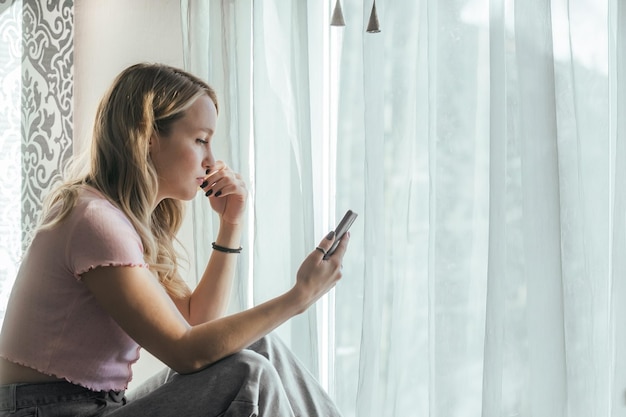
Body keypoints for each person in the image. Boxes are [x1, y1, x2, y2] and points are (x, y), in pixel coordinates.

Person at [0, 63, 349, 416]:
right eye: (201, 140)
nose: (212, 161)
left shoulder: (121, 219)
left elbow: (197, 322)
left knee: (260, 346)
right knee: (247, 373)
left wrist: (231, 222)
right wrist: (298, 297)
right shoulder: (95, 221)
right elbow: (186, 352)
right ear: (148, 137)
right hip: (50, 411)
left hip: (97, 406)